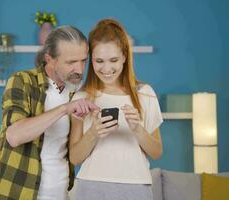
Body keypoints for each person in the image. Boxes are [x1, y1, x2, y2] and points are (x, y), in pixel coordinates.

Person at [0, 26, 99, 200]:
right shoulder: (22, 81)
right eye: (71, 62)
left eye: (83, 60)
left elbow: (77, 154)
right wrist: (63, 109)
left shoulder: (78, 92)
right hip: (15, 195)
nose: (80, 69)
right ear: (49, 59)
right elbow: (14, 135)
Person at [69, 18, 163, 200]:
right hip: (91, 187)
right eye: (99, 61)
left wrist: (138, 129)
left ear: (125, 57)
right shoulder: (82, 97)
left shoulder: (145, 94)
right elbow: (75, 158)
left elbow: (157, 152)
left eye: (113, 60)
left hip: (136, 187)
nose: (106, 68)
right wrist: (93, 133)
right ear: (91, 60)